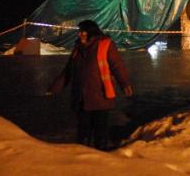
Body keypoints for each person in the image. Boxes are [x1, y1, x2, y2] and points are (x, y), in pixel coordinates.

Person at [48, 19, 133, 150]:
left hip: (100, 97)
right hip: (81, 99)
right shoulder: (78, 48)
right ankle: (83, 159)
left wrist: (125, 84)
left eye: (82, 32)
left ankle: (101, 157)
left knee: (100, 130)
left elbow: (117, 66)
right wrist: (55, 87)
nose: (79, 34)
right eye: (79, 32)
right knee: (83, 131)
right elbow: (68, 70)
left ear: (91, 32)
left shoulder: (105, 45)